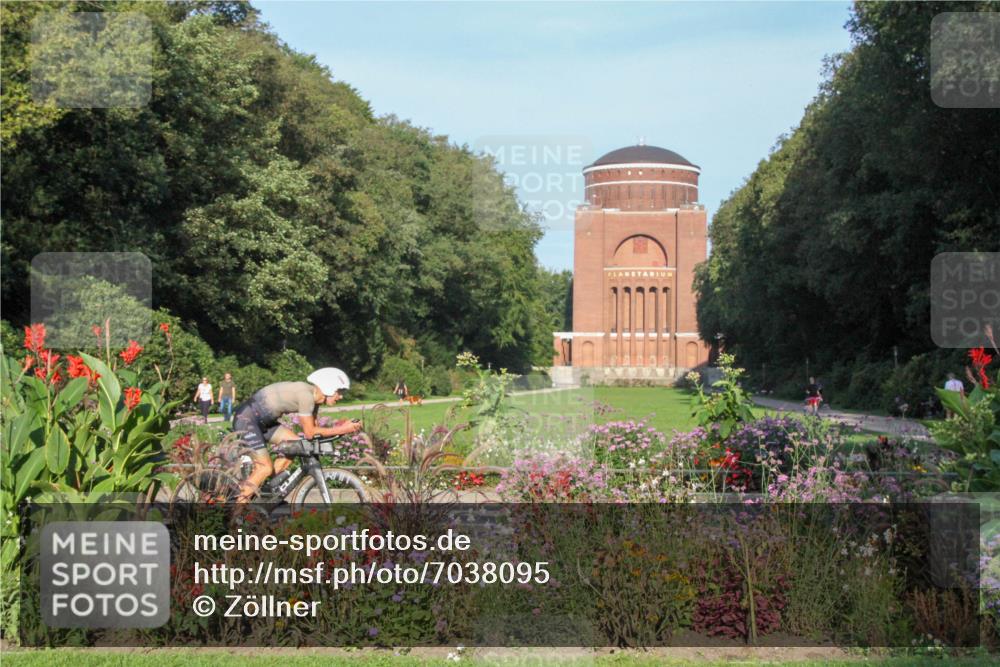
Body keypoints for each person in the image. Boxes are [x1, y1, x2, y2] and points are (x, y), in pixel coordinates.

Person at [233, 367, 363, 503]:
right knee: (265, 467)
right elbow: (310, 432)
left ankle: (267, 490)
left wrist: (341, 426)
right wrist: (343, 429)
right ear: (328, 388)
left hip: (264, 422)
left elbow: (313, 432)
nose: (341, 396)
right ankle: (238, 514)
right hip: (247, 420)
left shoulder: (315, 400)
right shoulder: (306, 397)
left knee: (298, 445)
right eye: (339, 391)